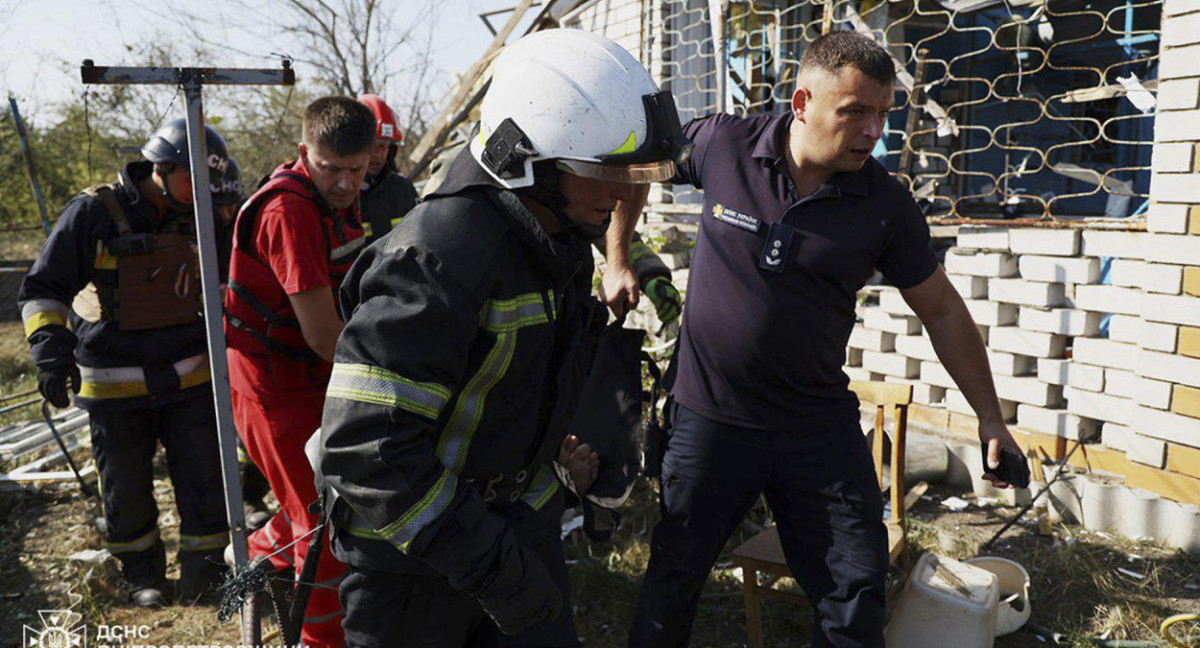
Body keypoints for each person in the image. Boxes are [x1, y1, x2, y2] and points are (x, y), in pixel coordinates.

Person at [622, 31, 1025, 648]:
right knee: (674, 576)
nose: (874, 131)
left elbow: (942, 311)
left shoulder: (885, 205)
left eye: (884, 115)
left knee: (856, 591)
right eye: (856, 112)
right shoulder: (724, 143)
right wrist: (616, 257)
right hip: (709, 417)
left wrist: (990, 420)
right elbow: (634, 164)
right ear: (802, 100)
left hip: (813, 429)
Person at [317, 29, 690, 648]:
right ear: (525, 160)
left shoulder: (554, 235)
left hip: (514, 533)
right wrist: (501, 573)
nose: (625, 195)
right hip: (415, 571)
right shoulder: (438, 257)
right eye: (605, 172)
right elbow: (367, 449)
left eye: (634, 173)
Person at [18, 118, 235, 607]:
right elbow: (41, 289)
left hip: (189, 378)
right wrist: (50, 352)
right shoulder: (93, 212)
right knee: (126, 489)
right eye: (191, 181)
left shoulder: (202, 215)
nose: (202, 193)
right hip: (115, 385)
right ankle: (143, 577)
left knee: (205, 481)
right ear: (161, 169)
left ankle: (204, 573)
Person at [223, 96, 374, 648]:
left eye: (355, 170)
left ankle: (260, 552)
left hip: (314, 379)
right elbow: (322, 334)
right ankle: (318, 641)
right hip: (272, 388)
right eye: (329, 168)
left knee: (323, 504)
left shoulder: (344, 200)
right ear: (303, 151)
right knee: (322, 525)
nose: (342, 183)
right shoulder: (288, 212)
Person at [357, 93, 420, 243]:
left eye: (383, 146)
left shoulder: (403, 189)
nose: (377, 155)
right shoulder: (345, 192)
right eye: (371, 147)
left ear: (391, 150)